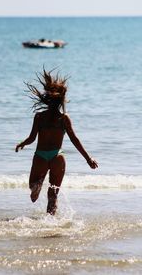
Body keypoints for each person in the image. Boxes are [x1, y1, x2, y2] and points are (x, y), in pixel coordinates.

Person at [15, 69, 98, 215]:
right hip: (57, 157)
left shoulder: (39, 117)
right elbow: (74, 139)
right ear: (60, 102)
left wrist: (22, 143)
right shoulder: (64, 118)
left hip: (40, 156)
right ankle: (50, 224)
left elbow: (32, 138)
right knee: (53, 195)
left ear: (47, 100)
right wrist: (88, 159)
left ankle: (37, 185)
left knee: (33, 192)